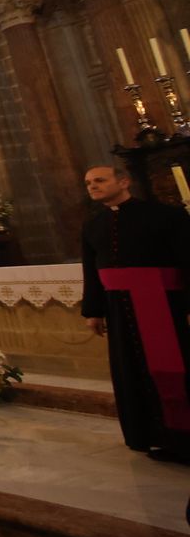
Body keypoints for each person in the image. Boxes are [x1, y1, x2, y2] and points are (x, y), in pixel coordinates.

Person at [80, 164, 190, 459]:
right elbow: (92, 272)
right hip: (118, 308)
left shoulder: (166, 216)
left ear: (124, 181)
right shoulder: (93, 226)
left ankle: (183, 437)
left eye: (100, 180)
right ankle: (150, 435)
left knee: (175, 369)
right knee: (131, 371)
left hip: (164, 305)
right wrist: (94, 311)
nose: (93, 186)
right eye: (89, 183)